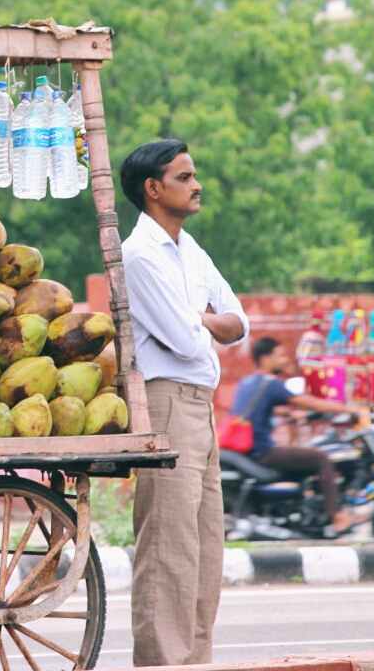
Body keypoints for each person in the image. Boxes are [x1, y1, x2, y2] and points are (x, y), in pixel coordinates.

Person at [121, 139, 248, 667]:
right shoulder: (139, 254)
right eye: (183, 177)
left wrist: (199, 317)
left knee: (204, 548)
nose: (197, 185)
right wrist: (203, 319)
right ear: (153, 189)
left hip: (202, 407)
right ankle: (161, 664)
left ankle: (194, 662)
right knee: (168, 549)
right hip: (166, 403)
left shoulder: (190, 249)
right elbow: (188, 341)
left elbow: (239, 323)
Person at [231, 336, 355, 534]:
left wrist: (287, 413)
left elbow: (255, 411)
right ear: (265, 359)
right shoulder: (271, 383)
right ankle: (337, 516)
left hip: (247, 449)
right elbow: (309, 402)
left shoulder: (247, 382)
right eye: (280, 356)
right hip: (263, 451)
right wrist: (348, 410)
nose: (285, 360)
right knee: (322, 458)